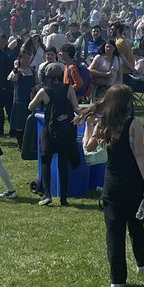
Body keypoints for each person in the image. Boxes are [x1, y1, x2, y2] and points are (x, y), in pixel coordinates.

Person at [83, 86, 144, 287]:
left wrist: (89, 126)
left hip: (112, 183)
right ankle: (143, 261)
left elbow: (88, 147)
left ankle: (118, 280)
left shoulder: (103, 123)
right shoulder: (134, 124)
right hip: (133, 182)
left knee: (114, 231)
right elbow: (139, 154)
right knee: (136, 223)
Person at [27, 63, 81, 206]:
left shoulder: (44, 91)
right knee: (63, 163)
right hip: (65, 131)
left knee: (46, 161)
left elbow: (30, 106)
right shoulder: (68, 88)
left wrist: (41, 104)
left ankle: (47, 195)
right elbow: (76, 108)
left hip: (49, 131)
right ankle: (63, 199)